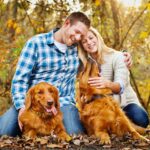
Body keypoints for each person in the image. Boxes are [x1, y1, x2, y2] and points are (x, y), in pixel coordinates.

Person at [0, 12, 132, 137]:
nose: (78, 38)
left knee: (75, 134)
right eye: (77, 32)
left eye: (82, 36)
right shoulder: (36, 43)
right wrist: (22, 107)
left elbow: (99, 51)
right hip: (34, 104)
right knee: (4, 132)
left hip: (63, 103)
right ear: (67, 23)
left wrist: (123, 55)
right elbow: (19, 81)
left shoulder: (78, 49)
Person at [77, 27, 149, 128]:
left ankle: (121, 125)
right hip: (101, 107)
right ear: (82, 46)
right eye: (84, 41)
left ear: (98, 38)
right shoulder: (84, 63)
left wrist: (107, 84)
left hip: (124, 104)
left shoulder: (118, 57)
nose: (89, 42)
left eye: (91, 38)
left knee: (141, 119)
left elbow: (120, 86)